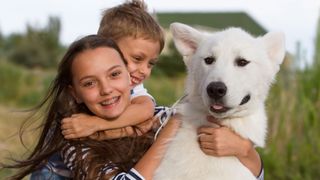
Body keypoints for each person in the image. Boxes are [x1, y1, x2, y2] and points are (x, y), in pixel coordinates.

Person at [60, 0, 264, 179]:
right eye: (90, 83)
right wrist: (168, 130)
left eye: (150, 64)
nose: (142, 71)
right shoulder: (74, 136)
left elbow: (150, 111)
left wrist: (244, 150)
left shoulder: (154, 110)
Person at [1, 35, 180, 180]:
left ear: (129, 75)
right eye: (89, 83)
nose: (106, 89)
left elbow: (195, 118)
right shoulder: (74, 143)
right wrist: (172, 128)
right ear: (75, 93)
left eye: (114, 74)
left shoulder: (154, 114)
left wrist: (209, 140)